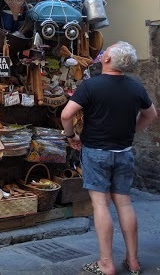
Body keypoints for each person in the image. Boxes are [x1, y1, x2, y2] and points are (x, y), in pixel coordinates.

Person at [61, 41, 157, 275]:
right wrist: (132, 130)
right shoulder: (135, 87)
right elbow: (151, 114)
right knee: (124, 204)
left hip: (96, 153)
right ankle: (133, 261)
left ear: (106, 60)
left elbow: (66, 114)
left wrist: (71, 135)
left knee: (100, 205)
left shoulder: (91, 86)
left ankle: (106, 263)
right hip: (123, 153)